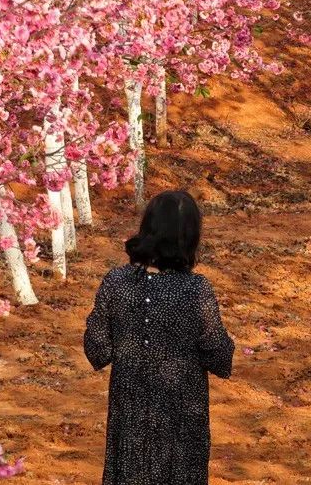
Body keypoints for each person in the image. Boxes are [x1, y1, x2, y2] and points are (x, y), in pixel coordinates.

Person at [83, 190, 234, 485]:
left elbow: (96, 350)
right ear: (189, 237)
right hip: (181, 427)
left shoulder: (116, 283)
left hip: (130, 424)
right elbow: (220, 358)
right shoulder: (196, 290)